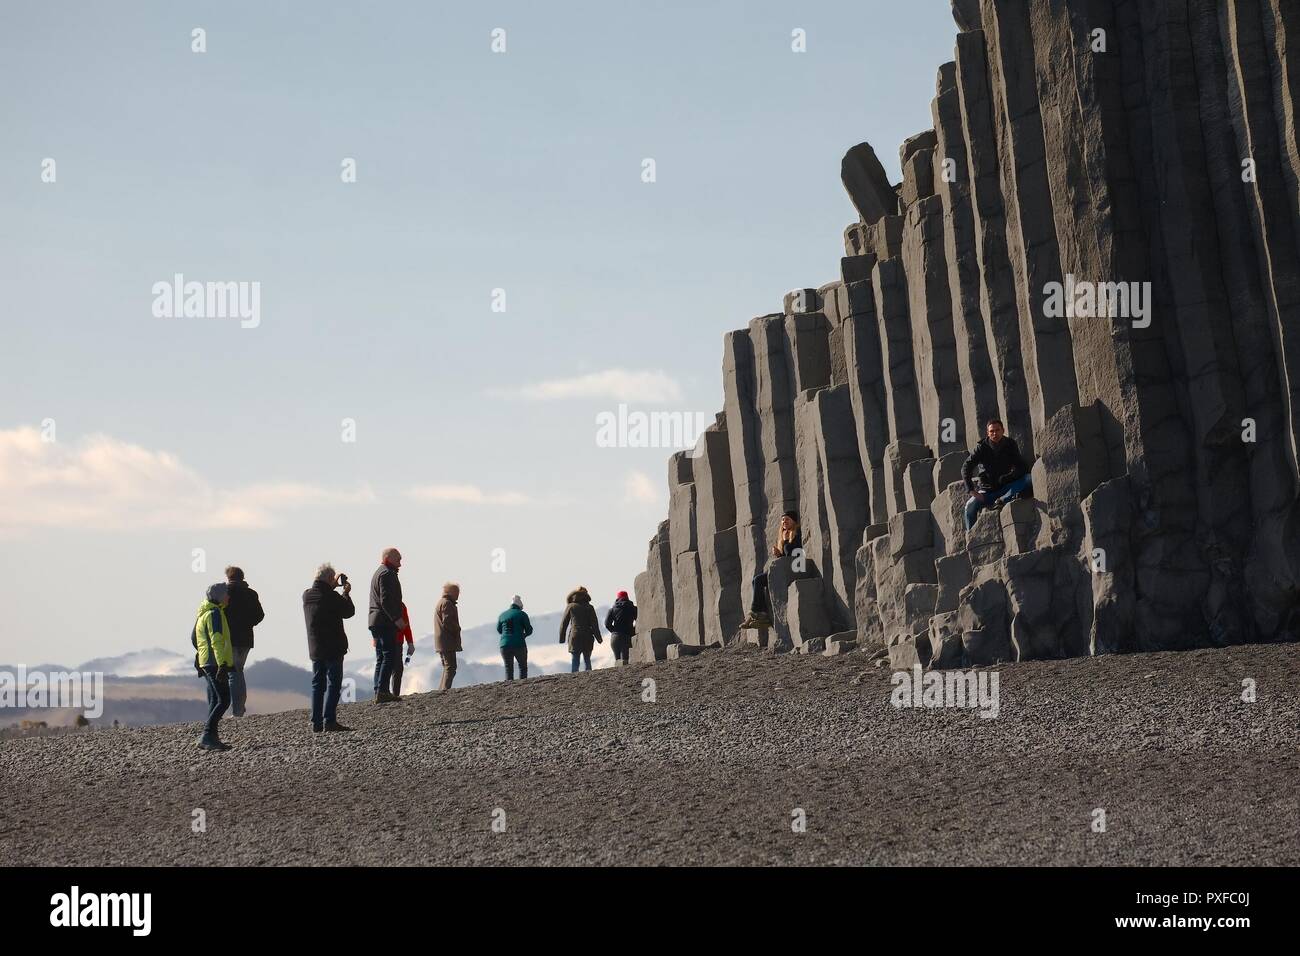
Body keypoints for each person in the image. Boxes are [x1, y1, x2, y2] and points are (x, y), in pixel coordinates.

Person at [302, 563, 354, 733]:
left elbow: (323, 594)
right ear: (329, 579)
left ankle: (316, 723)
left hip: (315, 648)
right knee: (333, 684)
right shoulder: (331, 596)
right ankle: (329, 720)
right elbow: (348, 611)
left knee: (317, 685)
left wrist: (332, 585)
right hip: (333, 647)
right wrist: (345, 593)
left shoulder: (307, 595)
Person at [962, 418, 1032, 531]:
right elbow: (966, 467)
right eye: (991, 431)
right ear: (988, 433)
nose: (995, 433)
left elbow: (1022, 466)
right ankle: (971, 537)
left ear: (1003, 430)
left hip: (1006, 488)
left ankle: (1003, 500)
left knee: (1029, 478)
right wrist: (971, 490)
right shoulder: (981, 447)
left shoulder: (1010, 444)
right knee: (969, 507)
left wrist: (1009, 477)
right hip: (987, 492)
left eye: (997, 430)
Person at [741, 511, 802, 629]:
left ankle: (757, 614)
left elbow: (793, 555)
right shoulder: (784, 536)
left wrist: (785, 543)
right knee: (756, 580)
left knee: (758, 580)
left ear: (794, 521)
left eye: (787, 519)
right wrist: (779, 554)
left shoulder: (796, 533)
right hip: (785, 569)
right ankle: (760, 613)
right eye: (783, 520)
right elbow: (785, 559)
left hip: (796, 569)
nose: (784, 522)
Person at [193, 582, 235, 751]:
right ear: (219, 596)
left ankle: (211, 736)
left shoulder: (204, 613)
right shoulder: (214, 613)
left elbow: (193, 637)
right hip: (214, 662)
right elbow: (216, 640)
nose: (229, 597)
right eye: (226, 593)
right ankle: (207, 734)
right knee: (224, 700)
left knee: (216, 699)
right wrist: (222, 665)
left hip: (207, 662)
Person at [223, 566, 264, 718]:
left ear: (229, 577)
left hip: (230, 638)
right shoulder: (251, 594)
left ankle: (237, 710)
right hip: (246, 639)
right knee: (238, 671)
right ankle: (240, 707)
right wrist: (248, 623)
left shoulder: (225, 593)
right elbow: (260, 615)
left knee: (234, 672)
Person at [368, 547, 407, 703]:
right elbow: (386, 600)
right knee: (389, 656)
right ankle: (383, 691)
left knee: (381, 657)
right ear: (389, 558)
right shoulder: (386, 574)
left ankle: (379, 690)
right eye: (398, 559)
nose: (400, 564)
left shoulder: (379, 572)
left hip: (375, 621)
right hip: (384, 622)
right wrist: (396, 618)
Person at [560, 586, 602, 672]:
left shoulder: (571, 606)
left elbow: (564, 623)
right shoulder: (590, 607)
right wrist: (599, 638)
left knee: (575, 659)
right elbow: (594, 625)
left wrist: (562, 638)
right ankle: (590, 677)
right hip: (587, 635)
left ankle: (574, 678)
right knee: (587, 659)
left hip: (575, 635)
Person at [496, 595, 533, 681]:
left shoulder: (502, 615)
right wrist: (524, 635)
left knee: (508, 668)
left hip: (504, 645)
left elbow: (499, 630)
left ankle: (509, 689)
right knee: (522, 667)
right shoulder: (522, 614)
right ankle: (523, 687)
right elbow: (529, 630)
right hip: (519, 644)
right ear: (520, 606)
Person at [434, 582, 462, 690]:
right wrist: (457, 629)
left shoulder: (442, 602)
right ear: (450, 592)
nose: (458, 595)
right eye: (457, 592)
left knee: (447, 667)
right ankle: (444, 690)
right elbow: (448, 621)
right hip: (447, 641)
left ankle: (442, 689)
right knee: (450, 667)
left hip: (443, 641)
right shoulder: (447, 604)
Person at [604, 590, 638, 666]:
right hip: (627, 636)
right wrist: (633, 630)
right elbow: (639, 621)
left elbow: (607, 624)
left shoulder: (612, 610)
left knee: (617, 661)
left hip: (615, 638)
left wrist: (614, 631)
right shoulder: (633, 608)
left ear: (617, 598)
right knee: (625, 661)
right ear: (627, 597)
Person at [390, 601, 414, 697]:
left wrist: (410, 642)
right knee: (396, 668)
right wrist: (410, 642)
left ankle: (385, 694)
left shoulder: (400, 605)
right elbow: (406, 624)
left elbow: (406, 624)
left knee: (393, 668)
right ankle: (392, 694)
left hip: (394, 641)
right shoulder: (399, 605)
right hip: (395, 641)